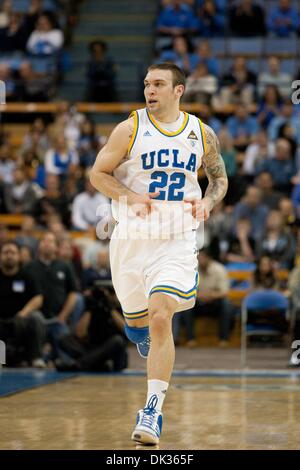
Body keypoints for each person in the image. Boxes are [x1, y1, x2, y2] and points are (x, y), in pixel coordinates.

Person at [90, 63, 228, 445]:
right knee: (138, 324)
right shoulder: (129, 128)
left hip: (176, 239)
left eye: (159, 84)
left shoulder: (201, 133)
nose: (150, 90)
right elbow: (97, 174)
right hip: (131, 241)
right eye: (147, 84)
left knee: (161, 315)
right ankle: (142, 333)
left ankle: (152, 411)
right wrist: (129, 196)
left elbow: (219, 178)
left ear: (178, 90)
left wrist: (209, 203)